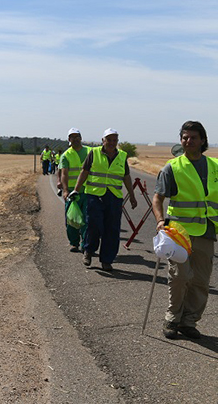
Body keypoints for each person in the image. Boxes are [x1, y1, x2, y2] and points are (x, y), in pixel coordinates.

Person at [151, 121, 216, 340]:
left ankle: (189, 322)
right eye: (184, 137)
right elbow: (158, 198)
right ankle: (172, 318)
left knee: (200, 280)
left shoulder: (215, 166)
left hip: (206, 233)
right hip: (178, 234)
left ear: (202, 140)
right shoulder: (172, 168)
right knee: (179, 277)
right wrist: (160, 221)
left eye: (193, 137)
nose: (188, 141)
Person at [72, 128, 137, 272]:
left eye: (115, 140)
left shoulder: (122, 156)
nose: (112, 143)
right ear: (103, 141)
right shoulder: (94, 153)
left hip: (114, 197)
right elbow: (85, 172)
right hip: (95, 196)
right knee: (94, 226)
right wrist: (76, 189)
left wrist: (132, 196)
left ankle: (107, 260)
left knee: (112, 229)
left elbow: (126, 177)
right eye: (109, 140)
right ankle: (88, 251)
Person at [59, 129, 90, 252]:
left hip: (87, 191)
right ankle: (74, 243)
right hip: (72, 193)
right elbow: (64, 174)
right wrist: (65, 190)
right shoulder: (66, 155)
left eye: (77, 136)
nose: (75, 139)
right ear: (69, 140)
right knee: (71, 219)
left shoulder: (90, 152)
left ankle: (85, 244)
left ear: (81, 138)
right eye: (72, 137)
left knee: (87, 220)